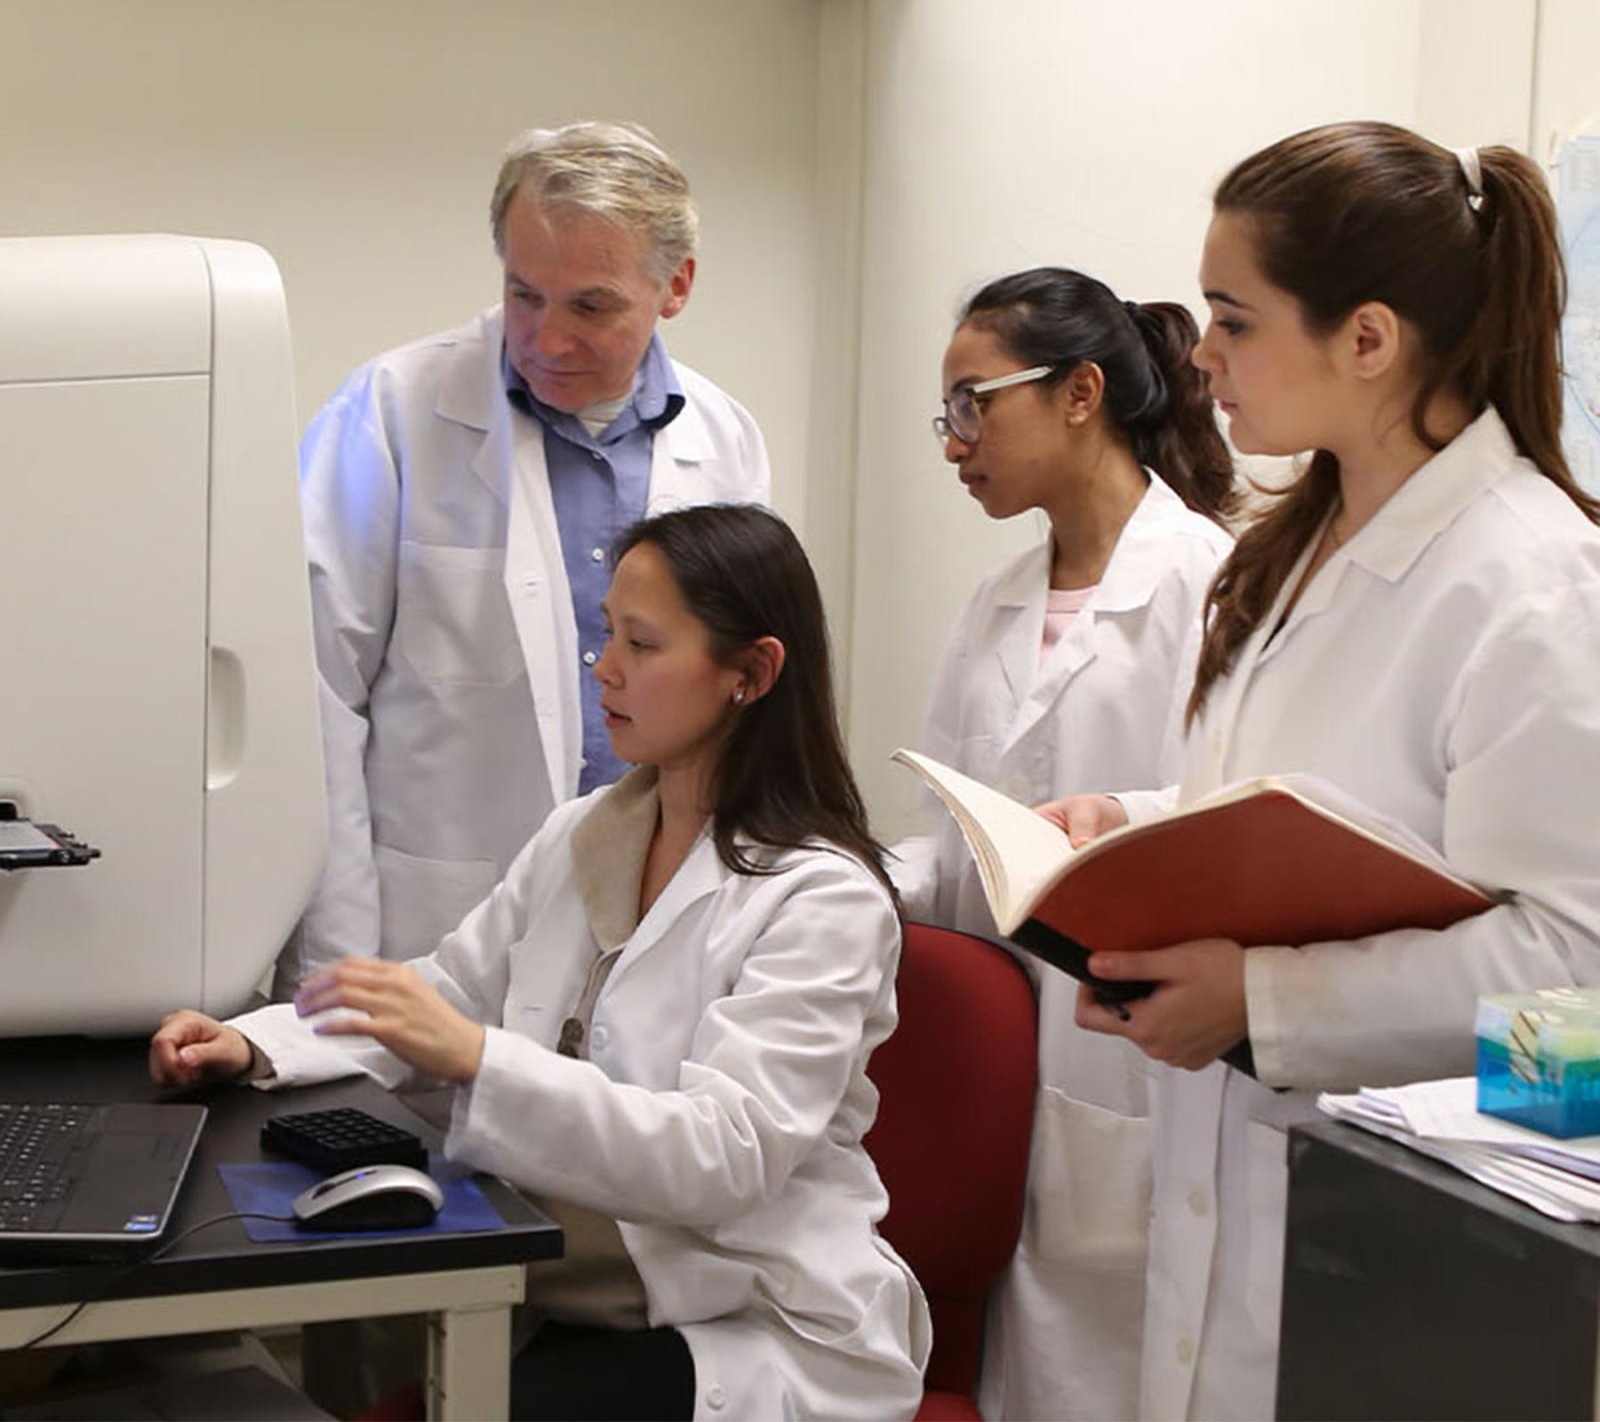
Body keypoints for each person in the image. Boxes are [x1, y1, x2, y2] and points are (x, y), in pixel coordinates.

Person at [1044, 122, 1600, 1421]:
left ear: (1368, 339)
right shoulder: (1305, 543)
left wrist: (1265, 1000)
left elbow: (1572, 972)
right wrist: (1130, 821)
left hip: (1402, 1238)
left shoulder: (1535, 588)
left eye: (1235, 320)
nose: (1200, 353)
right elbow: (1333, 809)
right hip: (1239, 1184)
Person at [152, 503, 931, 1422]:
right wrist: (256, 1046)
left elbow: (726, 1157)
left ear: (751, 674)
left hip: (745, 1320)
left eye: (643, 644)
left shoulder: (823, 898)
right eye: (608, 634)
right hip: (573, 1291)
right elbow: (444, 995)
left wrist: (478, 1056)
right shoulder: (585, 833)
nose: (605, 667)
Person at [277, 121, 770, 996]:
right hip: (433, 916)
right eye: (523, 295)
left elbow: (735, 700)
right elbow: (314, 696)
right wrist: (340, 964)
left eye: (590, 306)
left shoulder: (724, 440)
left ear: (675, 287)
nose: (545, 339)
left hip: (652, 915)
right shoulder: (392, 410)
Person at [896, 268, 1235, 1421]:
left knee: (1126, 1369)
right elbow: (947, 839)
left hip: (1130, 1055)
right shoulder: (994, 601)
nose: (953, 442)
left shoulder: (1207, 585)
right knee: (1013, 1361)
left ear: (1080, 391)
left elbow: (1223, 824)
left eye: (971, 404)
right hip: (1002, 1058)